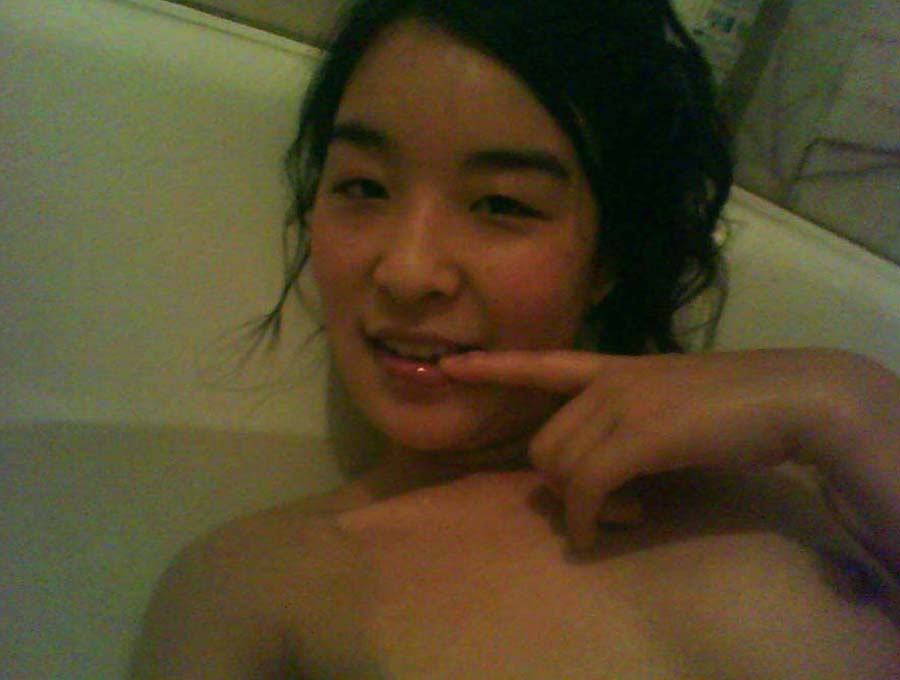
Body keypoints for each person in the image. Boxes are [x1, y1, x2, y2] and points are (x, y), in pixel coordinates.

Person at [130, 0, 900, 677]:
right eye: (363, 187)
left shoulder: (814, 476)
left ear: (611, 255)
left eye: (502, 204)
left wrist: (852, 410)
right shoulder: (256, 588)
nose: (407, 271)